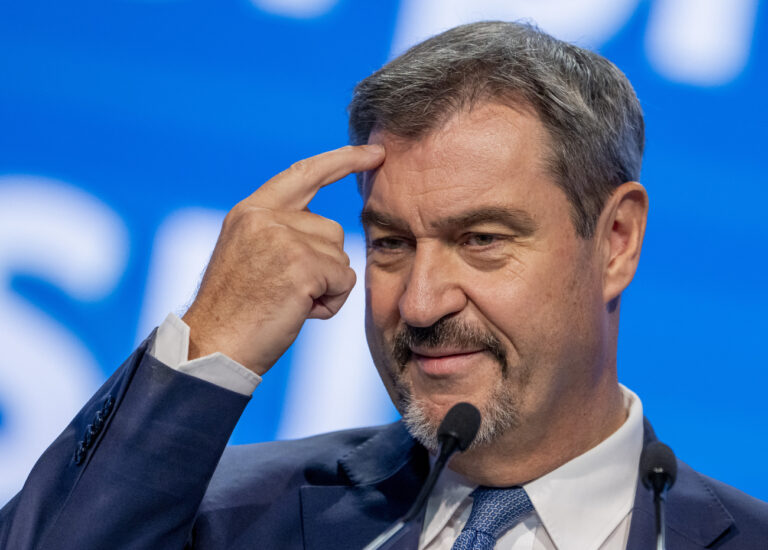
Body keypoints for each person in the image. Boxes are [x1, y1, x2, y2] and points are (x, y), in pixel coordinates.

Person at [1, 20, 766, 550]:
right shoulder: (226, 512)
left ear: (617, 242)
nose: (421, 302)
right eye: (392, 243)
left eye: (482, 240)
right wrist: (211, 343)